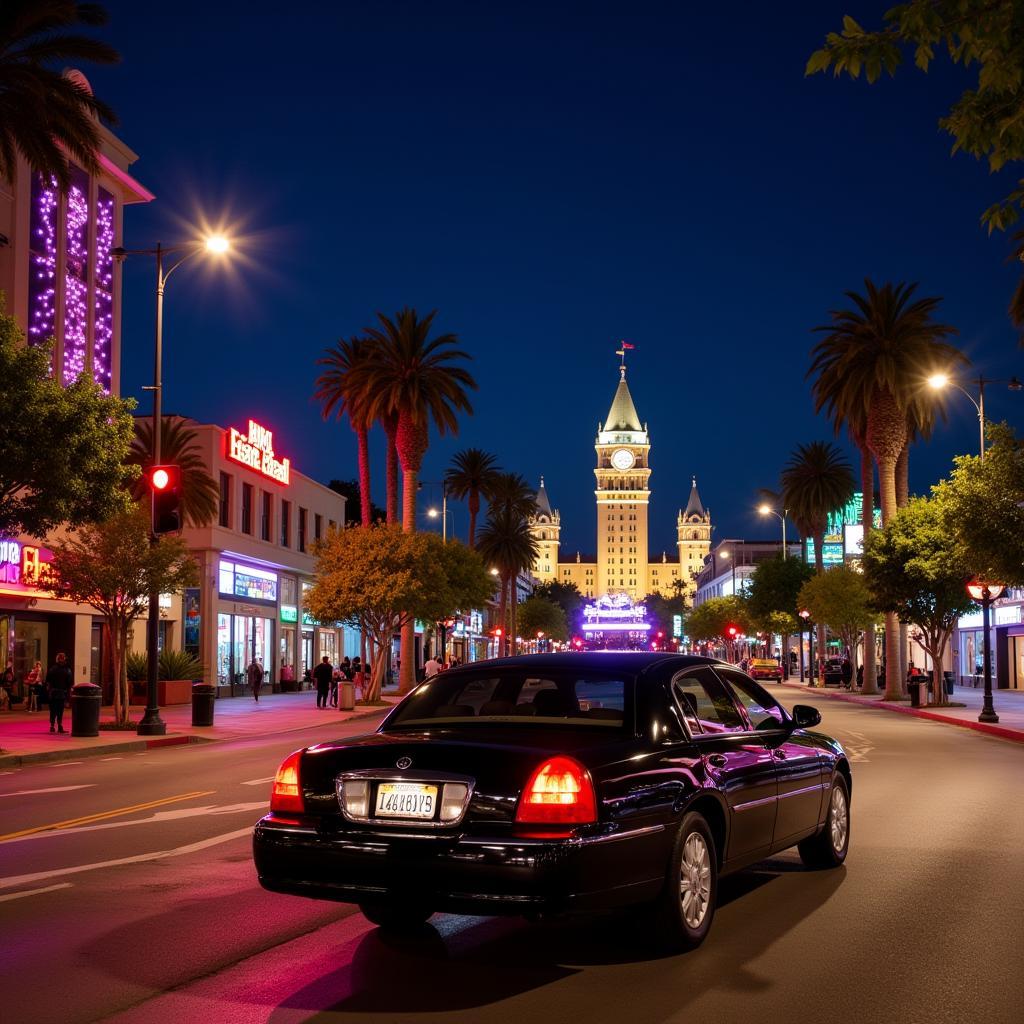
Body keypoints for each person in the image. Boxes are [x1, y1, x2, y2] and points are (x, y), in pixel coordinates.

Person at [46, 652, 72, 733]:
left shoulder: (52, 669)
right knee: (60, 710)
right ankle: (59, 725)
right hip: (61, 693)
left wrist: (49, 691)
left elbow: (48, 681)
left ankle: (52, 726)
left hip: (53, 692)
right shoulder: (67, 670)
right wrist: (68, 695)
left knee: (53, 710)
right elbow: (69, 683)